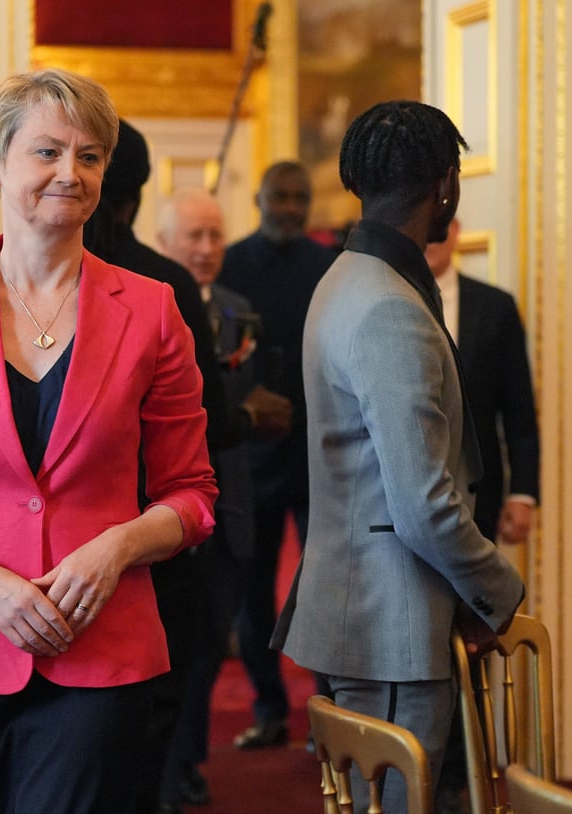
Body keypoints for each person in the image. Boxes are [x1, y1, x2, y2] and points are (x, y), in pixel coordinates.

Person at [0, 69, 218, 814]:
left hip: (101, 649)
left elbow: (194, 496)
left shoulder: (153, 311)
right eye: (47, 152)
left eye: (89, 157)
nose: (69, 173)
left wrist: (114, 548)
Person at [272, 100, 525, 813]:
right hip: (391, 625)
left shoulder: (344, 278)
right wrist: (502, 591)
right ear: (444, 184)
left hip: (367, 612)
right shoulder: (388, 305)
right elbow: (424, 506)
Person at [82, 123, 289, 814]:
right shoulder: (162, 282)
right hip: (153, 535)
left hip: (52, 535)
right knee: (151, 710)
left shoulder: (24, 274)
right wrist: (254, 416)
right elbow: (203, 422)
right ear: (137, 194)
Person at [154, 186, 269, 811]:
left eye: (215, 236)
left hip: (230, 510)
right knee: (166, 651)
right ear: (164, 242)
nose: (205, 249)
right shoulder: (150, 301)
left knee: (207, 648)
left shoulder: (238, 309)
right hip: (164, 512)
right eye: (193, 236)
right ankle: (164, 770)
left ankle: (190, 760)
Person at [218, 160, 338, 749]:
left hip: (318, 456)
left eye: (300, 197)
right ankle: (268, 708)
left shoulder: (328, 266)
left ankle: (330, 715)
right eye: (280, 197)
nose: (290, 207)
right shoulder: (232, 264)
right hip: (250, 453)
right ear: (260, 199)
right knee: (252, 588)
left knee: (323, 587)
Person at [425, 217, 540, 814]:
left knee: (477, 630)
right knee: (429, 640)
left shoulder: (494, 308)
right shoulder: (394, 301)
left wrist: (525, 494)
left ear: (459, 231)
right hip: (419, 505)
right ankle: (435, 767)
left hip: (482, 502)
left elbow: (519, 413)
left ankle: (468, 770)